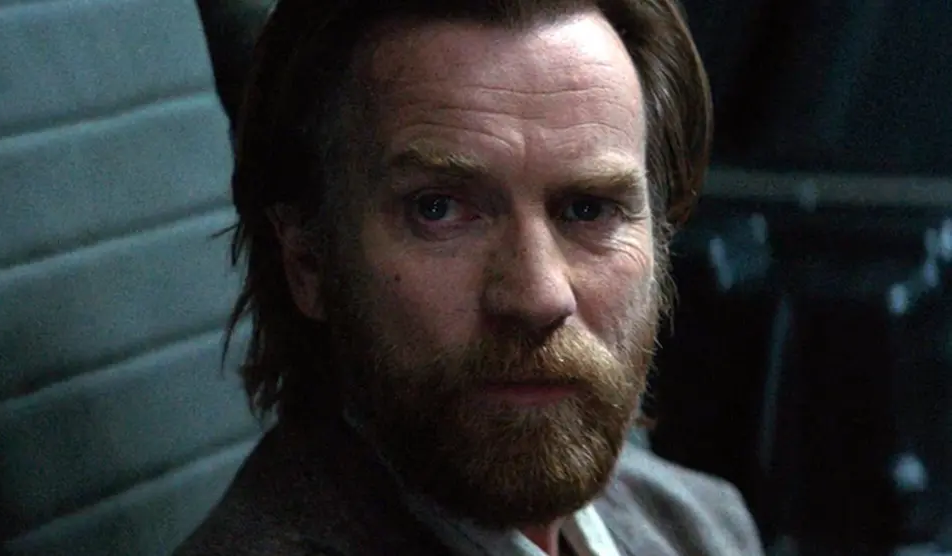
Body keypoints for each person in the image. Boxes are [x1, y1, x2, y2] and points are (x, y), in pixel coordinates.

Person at [176, 0, 764, 554]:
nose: (538, 296)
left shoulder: (701, 523)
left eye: (589, 209)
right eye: (439, 210)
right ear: (307, 260)